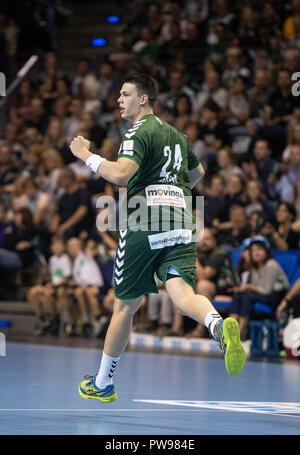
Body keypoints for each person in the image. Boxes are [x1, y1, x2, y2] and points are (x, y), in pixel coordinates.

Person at [70, 72, 246, 403]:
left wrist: (85, 155)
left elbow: (121, 176)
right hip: (181, 220)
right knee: (181, 291)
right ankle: (218, 326)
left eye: (125, 94)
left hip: (145, 221)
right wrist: (169, 190)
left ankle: (103, 384)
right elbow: (197, 174)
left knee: (124, 306)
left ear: (143, 99)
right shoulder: (177, 135)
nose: (119, 100)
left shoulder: (137, 131)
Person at [229, 236, 289, 339]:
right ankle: (231, 329)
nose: (256, 253)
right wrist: (246, 288)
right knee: (239, 295)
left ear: (266, 251)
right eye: (253, 250)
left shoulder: (271, 265)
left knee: (247, 296)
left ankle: (241, 332)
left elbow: (267, 290)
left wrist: (249, 287)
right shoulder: (255, 268)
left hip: (277, 297)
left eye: (259, 249)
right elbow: (255, 288)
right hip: (262, 295)